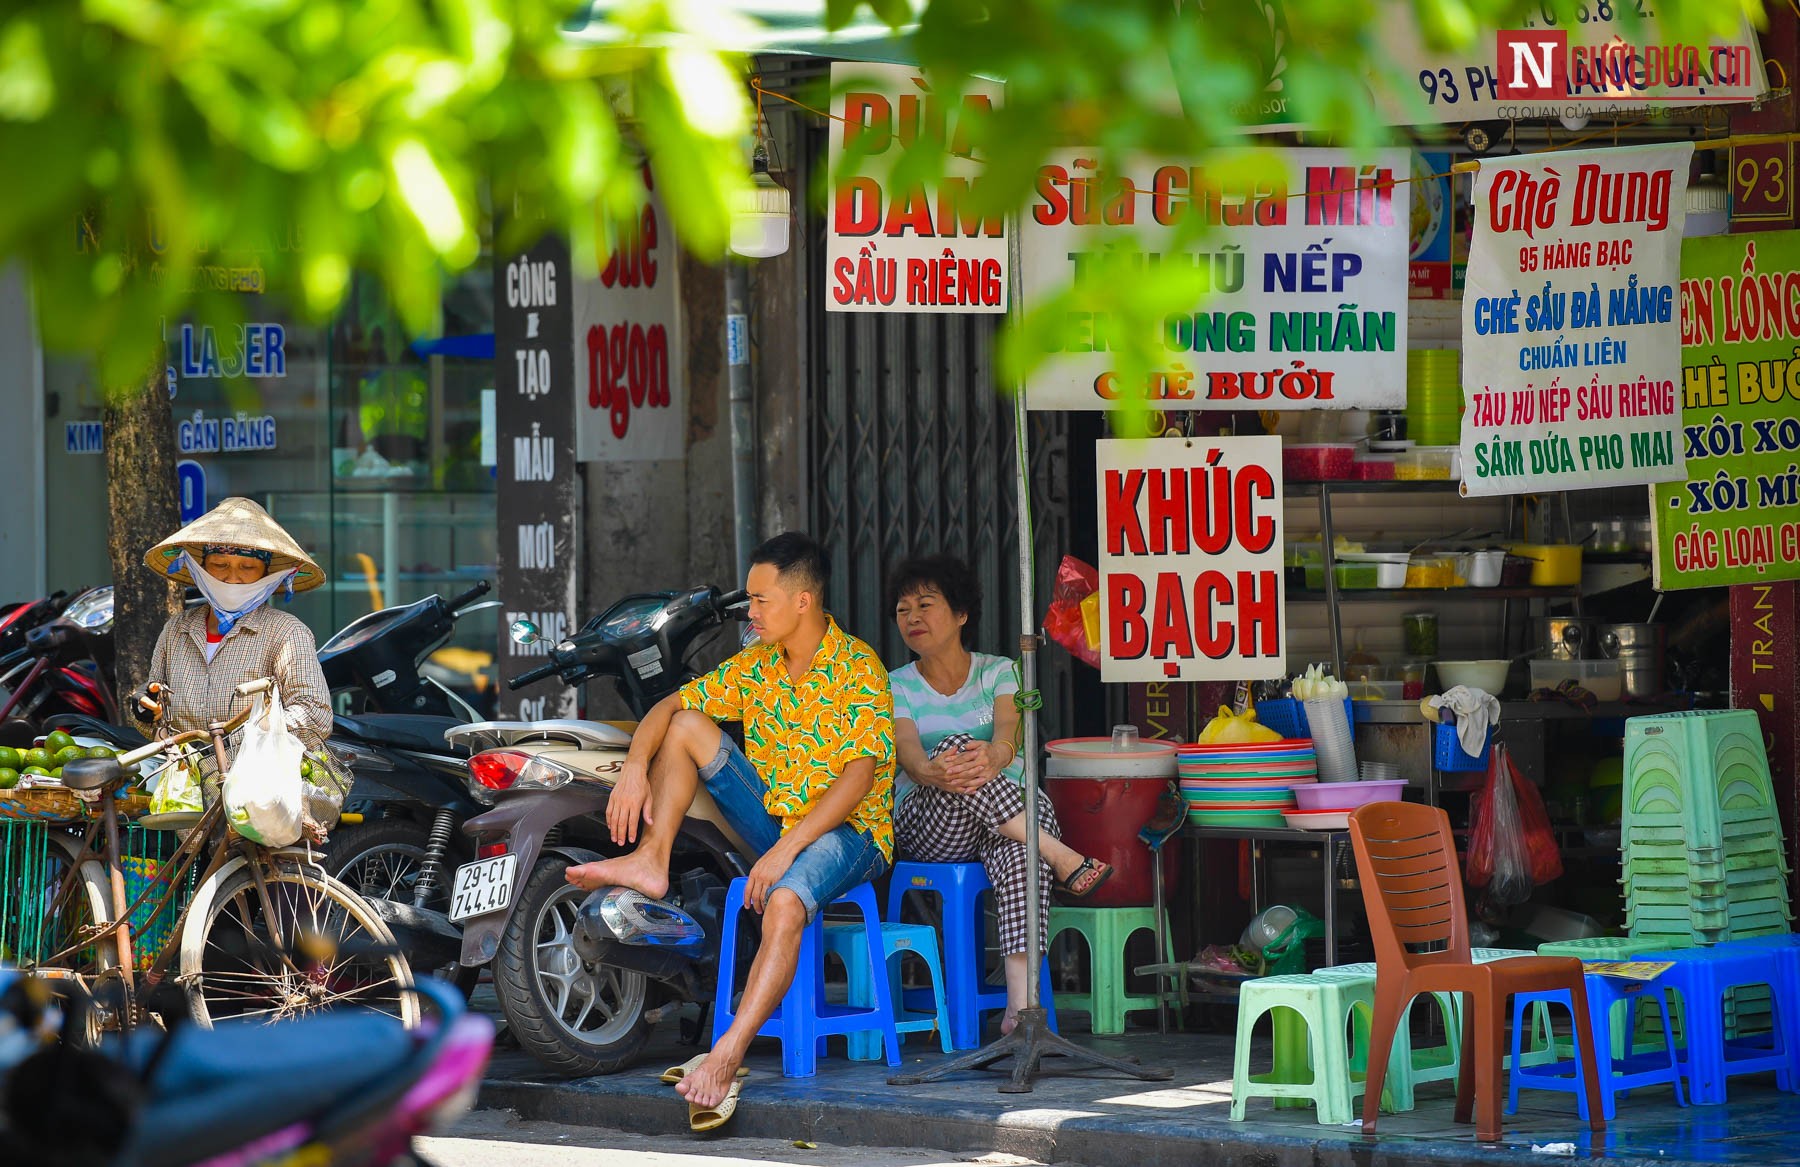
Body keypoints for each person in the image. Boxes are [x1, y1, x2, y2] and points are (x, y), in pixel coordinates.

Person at [564, 532, 894, 1120]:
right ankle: (652, 859)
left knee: (786, 901)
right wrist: (635, 768)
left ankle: (725, 1055)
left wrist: (783, 853)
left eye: (762, 599)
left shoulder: (858, 668)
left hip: (850, 835)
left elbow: (858, 780)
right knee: (689, 722)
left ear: (803, 602)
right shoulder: (757, 663)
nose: (750, 611)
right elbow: (669, 709)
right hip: (778, 818)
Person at [887, 554, 1111, 1035]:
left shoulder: (1000, 672)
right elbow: (908, 753)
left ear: (962, 613)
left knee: (1020, 855)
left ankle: (1019, 1012)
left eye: (926, 604)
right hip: (931, 824)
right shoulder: (896, 685)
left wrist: (996, 753)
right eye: (903, 610)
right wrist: (932, 770)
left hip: (998, 822)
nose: (913, 618)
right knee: (952, 750)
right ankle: (1061, 854)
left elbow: (1011, 732)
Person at [142, 497, 340, 832]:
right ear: (200, 569)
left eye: (247, 568)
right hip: (184, 801)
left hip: (260, 799)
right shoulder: (176, 630)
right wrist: (145, 711)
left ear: (268, 574)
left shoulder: (285, 632)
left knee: (257, 882)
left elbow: (315, 714)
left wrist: (252, 737)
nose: (233, 578)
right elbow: (156, 713)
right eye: (219, 566)